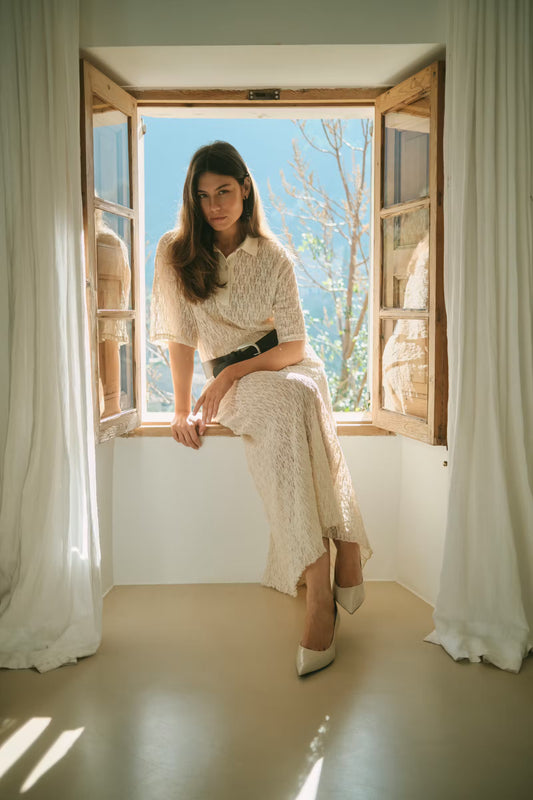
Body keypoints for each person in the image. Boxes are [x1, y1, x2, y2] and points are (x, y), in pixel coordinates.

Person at [149, 141, 372, 676]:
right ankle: (339, 549)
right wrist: (181, 409)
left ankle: (321, 588)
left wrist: (231, 373)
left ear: (246, 190)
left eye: (225, 192)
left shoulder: (273, 256)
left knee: (301, 393)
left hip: (283, 365)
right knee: (295, 401)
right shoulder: (176, 252)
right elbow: (180, 337)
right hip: (239, 386)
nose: (215, 206)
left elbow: (294, 346)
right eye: (203, 196)